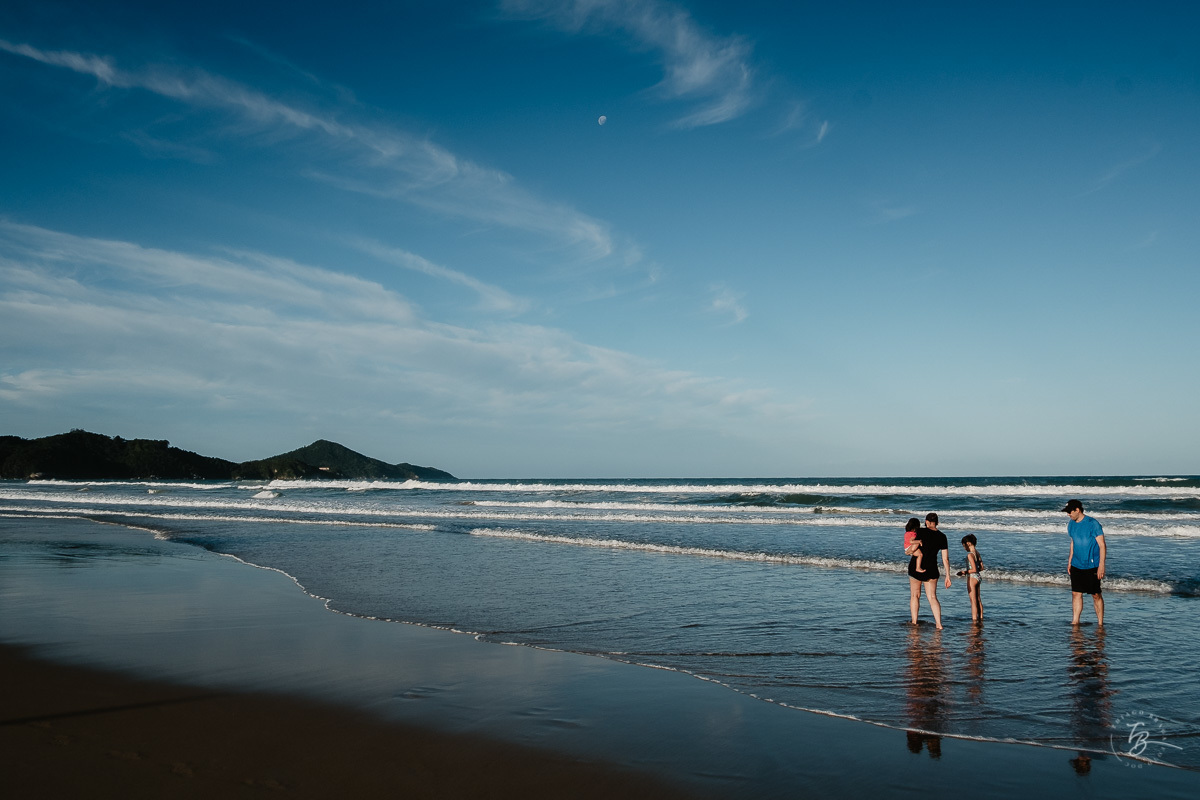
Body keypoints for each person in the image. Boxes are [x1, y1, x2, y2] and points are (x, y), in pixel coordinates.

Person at [1063, 499, 1105, 625]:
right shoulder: (1071, 524)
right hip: (1076, 564)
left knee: (1096, 595)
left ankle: (1100, 623)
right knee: (1076, 593)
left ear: (1077, 510)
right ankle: (1075, 621)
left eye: (1070, 512)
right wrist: (1070, 560)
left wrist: (1101, 565)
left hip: (1092, 565)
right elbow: (1073, 542)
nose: (1068, 514)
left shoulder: (1093, 524)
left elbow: (1102, 545)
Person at [908, 512, 952, 629]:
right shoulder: (942, 536)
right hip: (932, 569)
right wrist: (948, 576)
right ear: (937, 522)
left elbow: (913, 548)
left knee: (915, 595)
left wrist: (908, 551)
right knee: (932, 597)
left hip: (916, 567)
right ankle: (939, 624)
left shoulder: (920, 531)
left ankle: (914, 621)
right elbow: (945, 559)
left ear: (926, 521)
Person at [956, 534, 984, 622]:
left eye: (964, 546)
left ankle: (974, 620)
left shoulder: (970, 555)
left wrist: (964, 572)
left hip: (972, 577)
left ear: (968, 543)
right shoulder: (977, 553)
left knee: (973, 601)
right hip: (978, 577)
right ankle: (981, 617)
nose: (964, 548)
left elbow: (974, 569)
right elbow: (981, 567)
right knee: (978, 599)